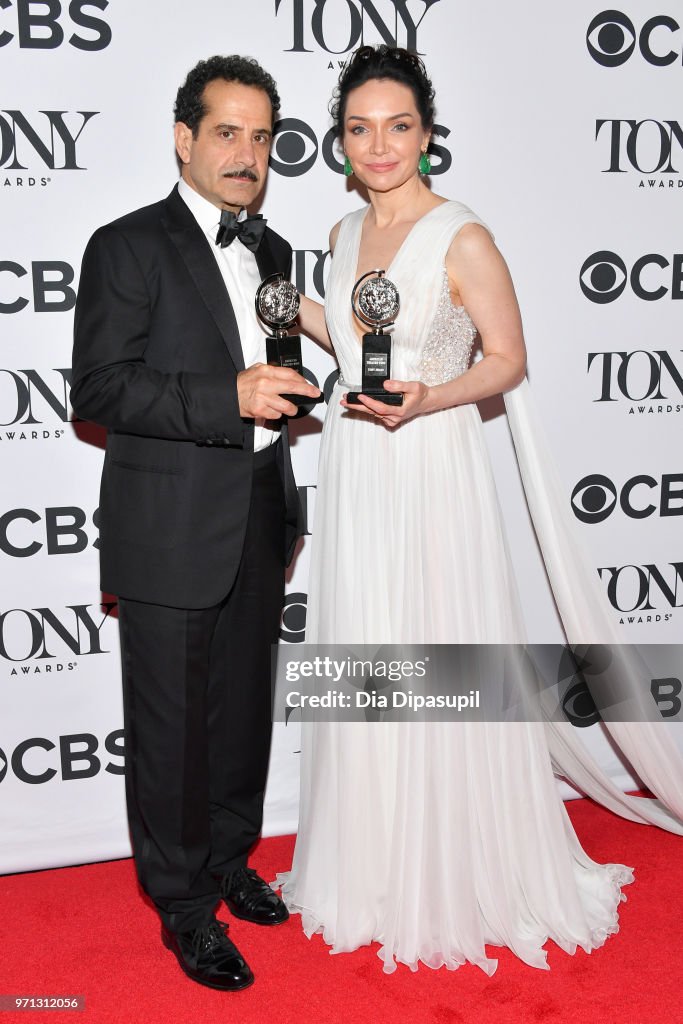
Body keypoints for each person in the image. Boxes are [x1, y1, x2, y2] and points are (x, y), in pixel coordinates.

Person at [283, 45, 683, 974]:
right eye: (359, 128)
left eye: (399, 126)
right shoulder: (344, 235)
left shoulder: (461, 233)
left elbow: (506, 359)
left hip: (431, 463)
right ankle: (372, 861)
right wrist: (279, 301)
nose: (379, 145)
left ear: (426, 134)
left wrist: (431, 397)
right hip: (357, 464)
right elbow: (351, 334)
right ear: (340, 143)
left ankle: (454, 865)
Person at [71, 55, 320, 992]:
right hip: (169, 520)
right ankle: (182, 908)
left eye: (261, 137)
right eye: (227, 132)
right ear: (184, 138)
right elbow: (96, 387)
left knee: (241, 716)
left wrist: (298, 392)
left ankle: (227, 863)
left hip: (260, 512)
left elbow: (276, 376)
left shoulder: (275, 251)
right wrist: (231, 395)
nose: (246, 154)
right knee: (173, 728)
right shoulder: (125, 244)